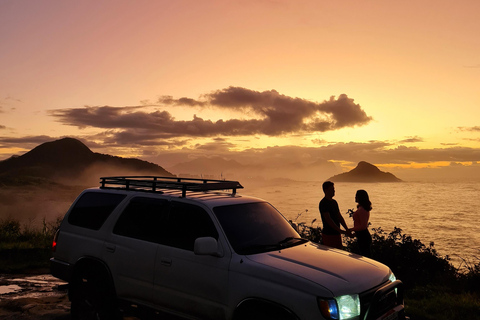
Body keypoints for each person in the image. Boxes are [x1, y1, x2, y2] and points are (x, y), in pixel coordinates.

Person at [319, 181, 350, 249]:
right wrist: (340, 230)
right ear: (326, 190)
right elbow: (328, 219)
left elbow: (339, 216)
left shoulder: (334, 202)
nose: (334, 191)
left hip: (336, 234)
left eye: (334, 189)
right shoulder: (323, 203)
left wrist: (346, 229)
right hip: (328, 234)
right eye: (332, 189)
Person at [350, 189, 373, 257]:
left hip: (363, 237)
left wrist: (351, 229)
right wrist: (355, 233)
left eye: (356, 196)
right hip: (361, 235)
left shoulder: (362, 210)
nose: (355, 197)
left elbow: (363, 226)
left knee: (365, 256)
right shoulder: (362, 208)